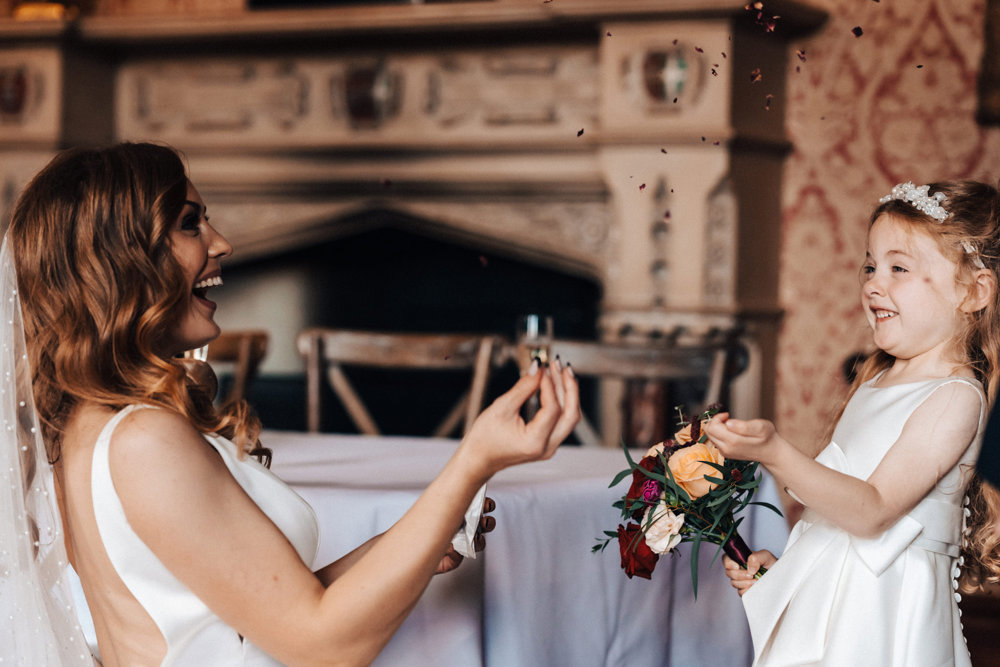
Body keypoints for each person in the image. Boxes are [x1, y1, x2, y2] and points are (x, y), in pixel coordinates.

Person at [0, 142, 580, 666]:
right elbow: (322, 644)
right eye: (189, 224)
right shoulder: (144, 441)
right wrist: (475, 458)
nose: (221, 243)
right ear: (120, 262)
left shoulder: (83, 427)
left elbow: (247, 614)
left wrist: (409, 543)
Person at [705, 180, 1000, 666]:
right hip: (839, 610)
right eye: (870, 266)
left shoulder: (954, 397)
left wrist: (775, 452)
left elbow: (872, 510)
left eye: (898, 268)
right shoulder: (876, 381)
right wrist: (781, 576)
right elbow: (838, 528)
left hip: (884, 622)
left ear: (972, 291)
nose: (872, 283)